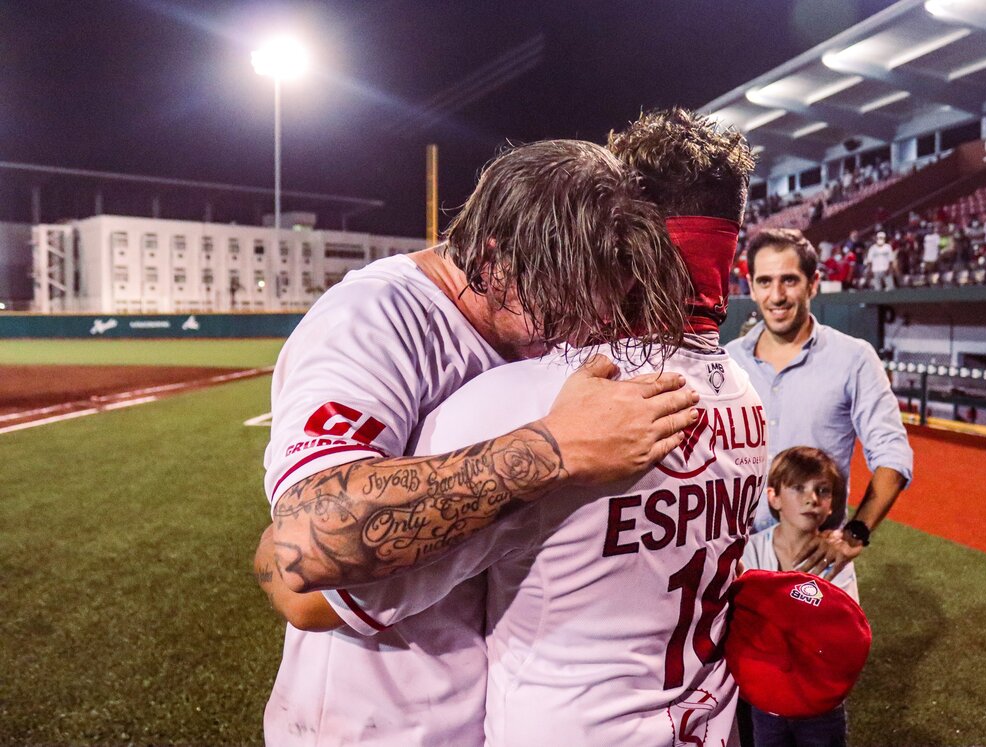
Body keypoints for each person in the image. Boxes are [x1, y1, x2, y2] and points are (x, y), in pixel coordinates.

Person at [260, 108, 764, 747]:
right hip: (369, 723)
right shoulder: (373, 316)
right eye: (575, 292)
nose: (591, 323)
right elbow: (299, 551)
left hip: (476, 713)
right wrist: (552, 449)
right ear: (495, 258)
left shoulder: (526, 329)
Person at [725, 227, 913, 579]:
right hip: (737, 557)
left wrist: (855, 533)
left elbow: (893, 455)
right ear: (750, 288)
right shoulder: (727, 362)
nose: (776, 295)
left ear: (813, 283)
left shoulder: (853, 358)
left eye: (789, 280)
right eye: (764, 282)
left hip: (815, 558)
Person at [741, 446, 858, 747]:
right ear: (773, 497)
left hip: (819, 701)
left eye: (823, 490)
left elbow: (845, 633)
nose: (812, 499)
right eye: (798, 488)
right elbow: (743, 623)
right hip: (766, 698)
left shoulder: (837, 560)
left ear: (832, 505)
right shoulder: (750, 549)